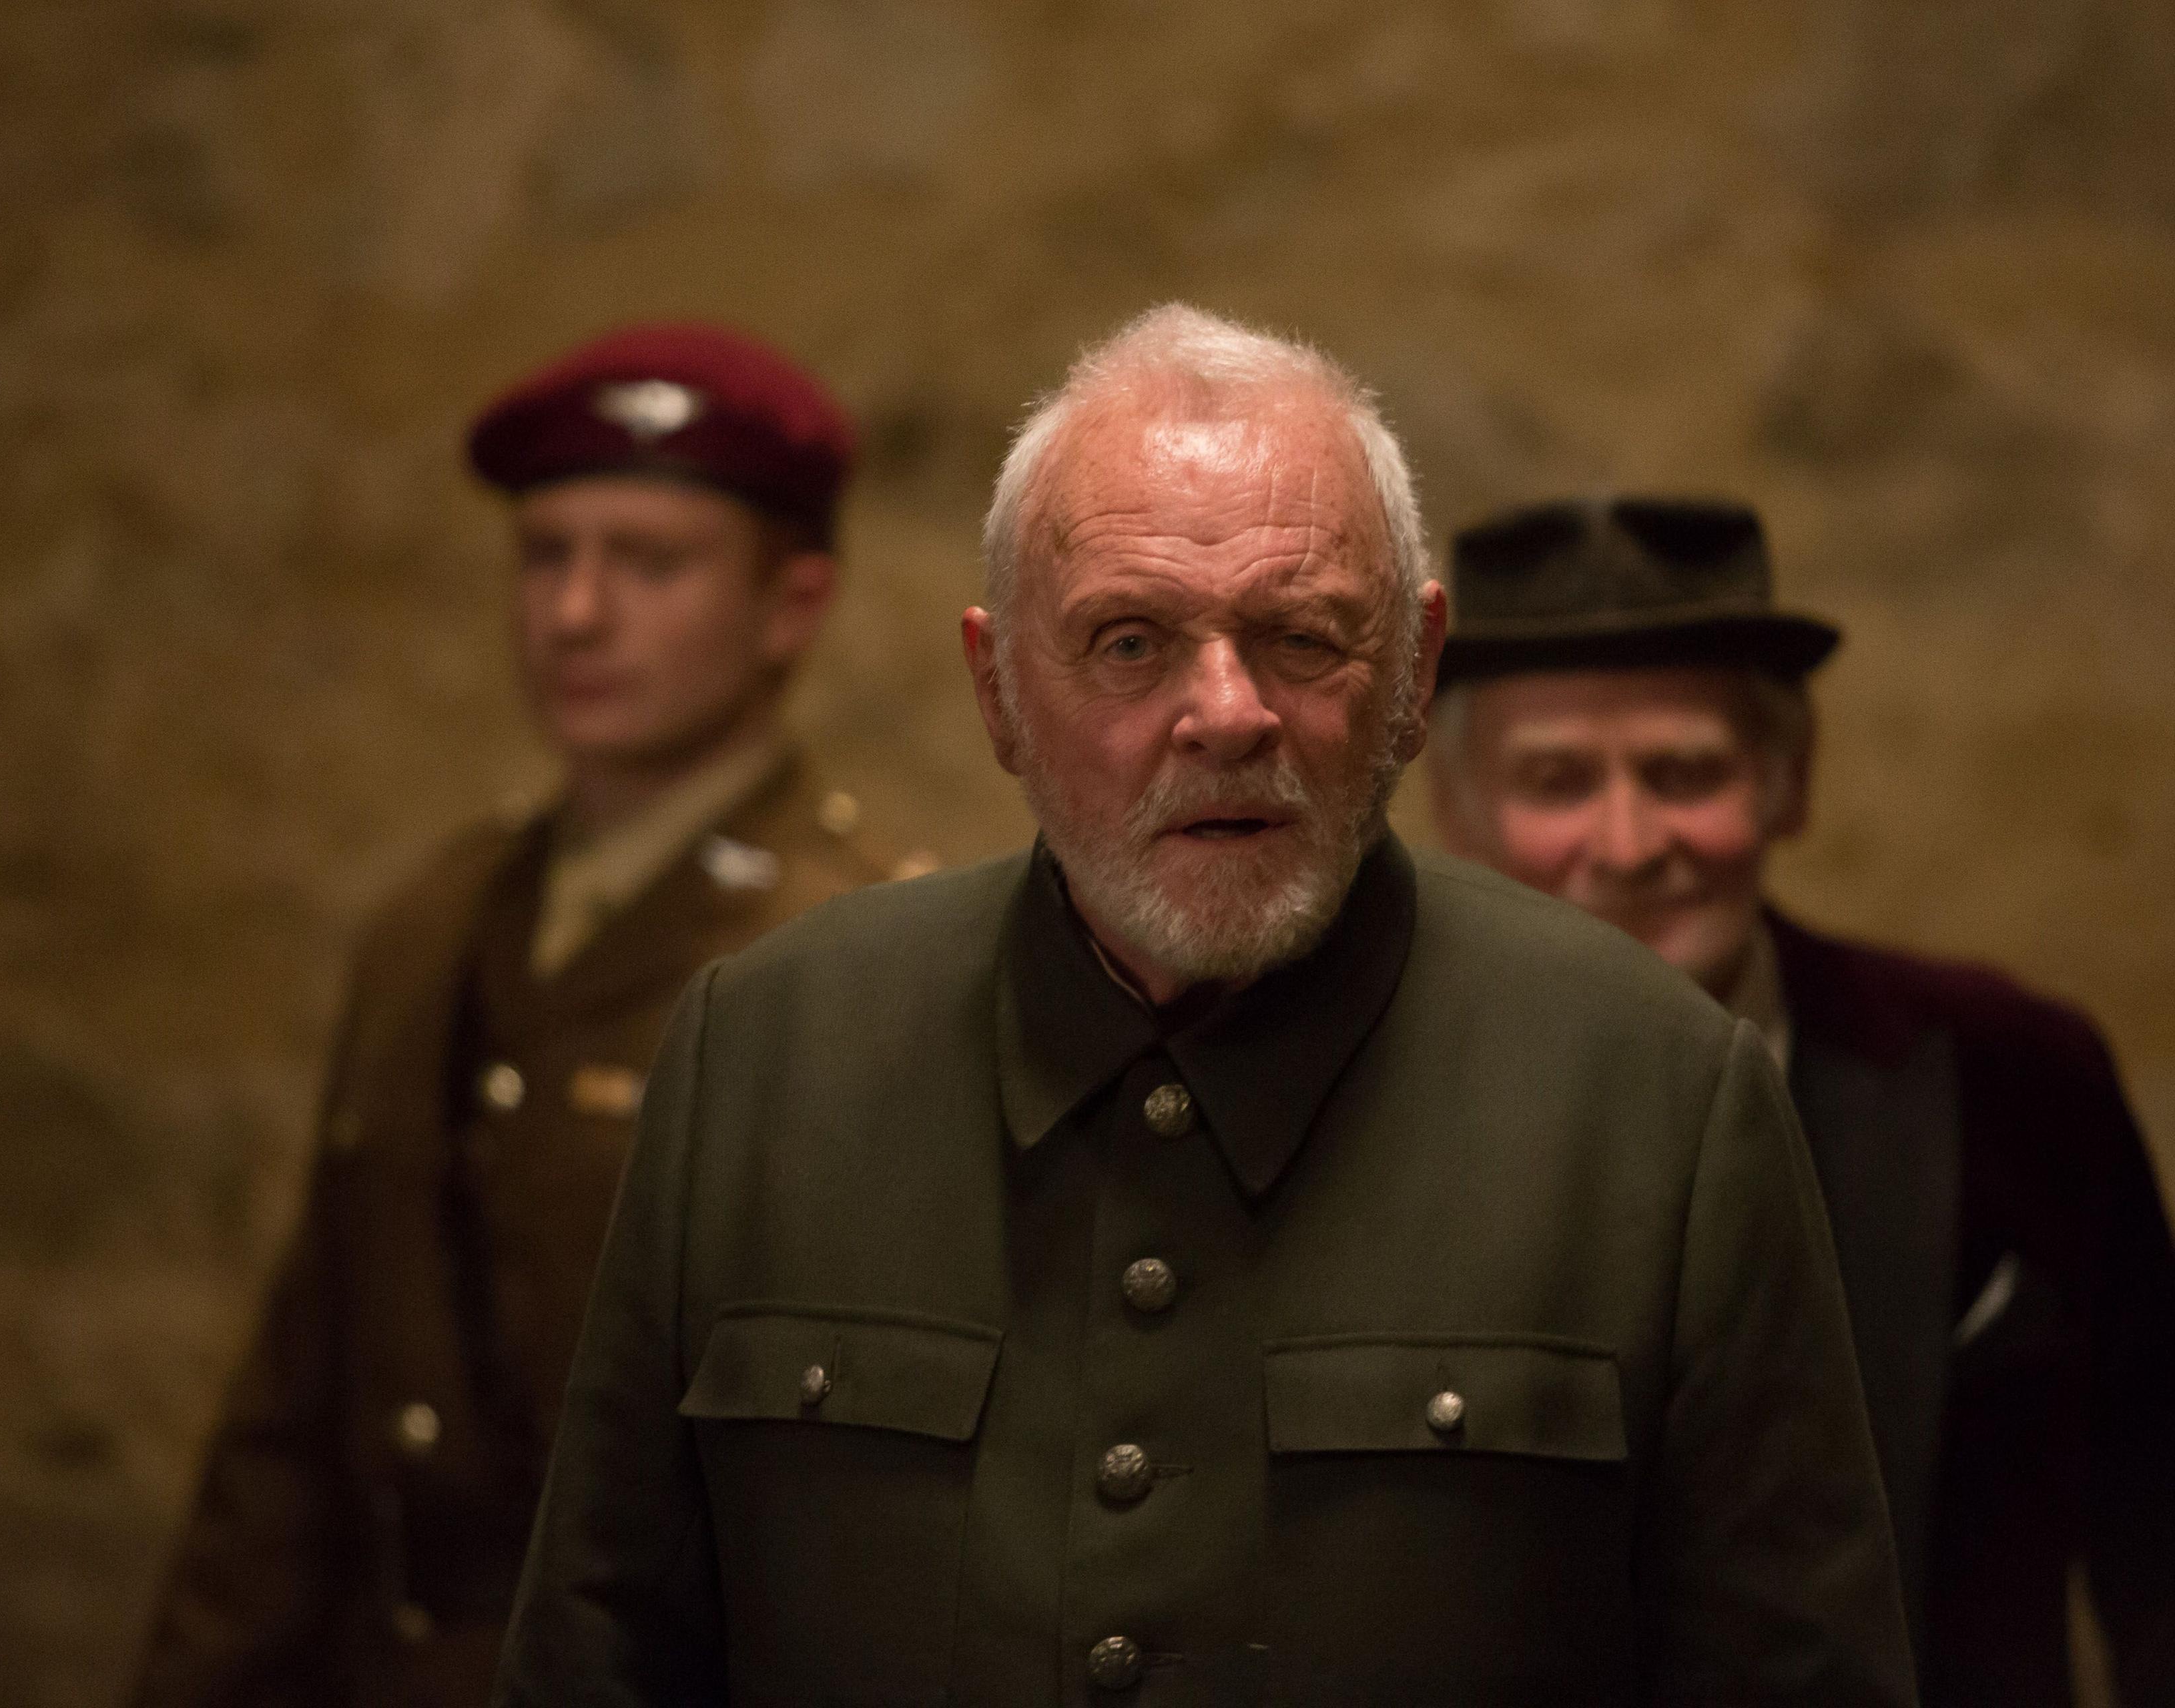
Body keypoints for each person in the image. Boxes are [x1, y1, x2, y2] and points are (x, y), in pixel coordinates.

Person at [489, 306, 1914, 1707]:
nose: (1225, 710)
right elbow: (600, 1648)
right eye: (1129, 641)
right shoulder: (766, 1054)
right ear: (998, 688)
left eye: (1302, 638)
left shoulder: (1657, 1097)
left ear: (1413, 675)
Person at [1428, 495, 2175, 1707]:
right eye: (1557, 780)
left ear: (1789, 783)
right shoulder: (1380, 1105)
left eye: (1687, 771)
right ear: (1460, 813)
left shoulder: (2018, 1079)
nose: (1631, 842)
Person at [131, 323, 908, 1708]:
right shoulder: (432, 919)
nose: (574, 613)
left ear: (792, 604)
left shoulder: (849, 957)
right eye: (546, 555)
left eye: (649, 562)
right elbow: (299, 1409)